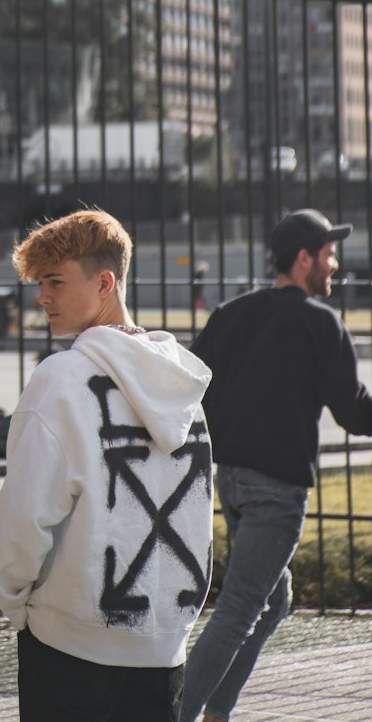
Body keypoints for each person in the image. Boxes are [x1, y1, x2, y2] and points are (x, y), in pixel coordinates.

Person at [0, 209, 214, 722]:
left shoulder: (61, 380)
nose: (42, 297)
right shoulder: (182, 388)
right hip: (163, 650)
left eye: (56, 282)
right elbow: (196, 517)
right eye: (40, 283)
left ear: (105, 282)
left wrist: (8, 599)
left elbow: (24, 515)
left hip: (69, 650)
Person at [179, 208, 372, 722]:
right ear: (304, 258)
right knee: (241, 608)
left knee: (276, 597)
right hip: (277, 490)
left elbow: (192, 386)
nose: (335, 264)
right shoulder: (320, 323)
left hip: (234, 481)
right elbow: (352, 410)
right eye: (329, 254)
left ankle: (218, 711)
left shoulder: (232, 313)